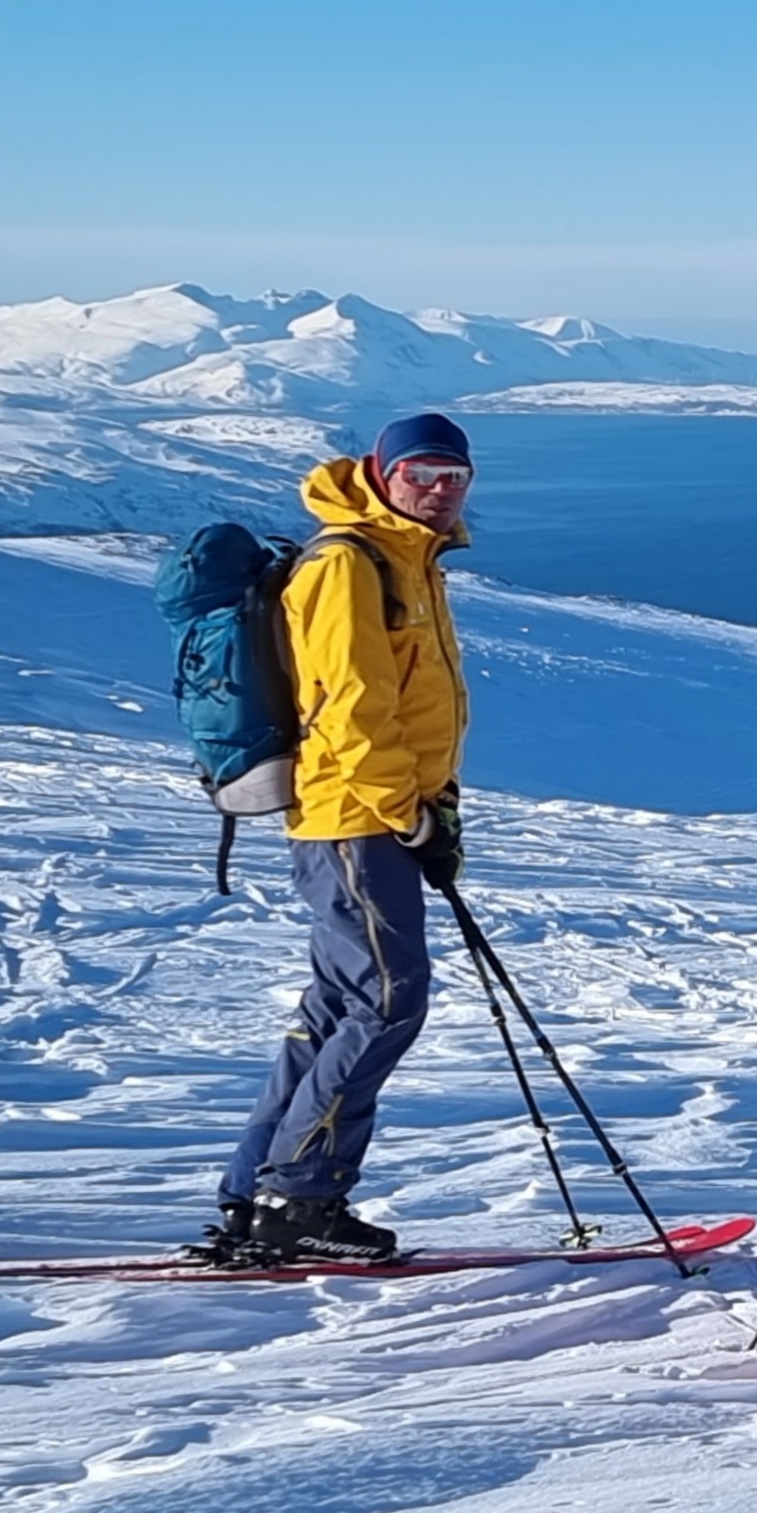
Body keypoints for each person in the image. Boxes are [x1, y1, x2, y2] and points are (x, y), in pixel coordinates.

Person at [203, 412, 476, 1265]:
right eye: (422, 473)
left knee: (336, 1008)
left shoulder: (406, 560)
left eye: (454, 477)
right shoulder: (348, 563)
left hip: (371, 817)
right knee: (388, 1001)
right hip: (357, 819)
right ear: (381, 472)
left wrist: (437, 809)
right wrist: (413, 818)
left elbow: (412, 701)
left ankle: (258, 1194)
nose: (438, 491)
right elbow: (352, 714)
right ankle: (303, 1195)